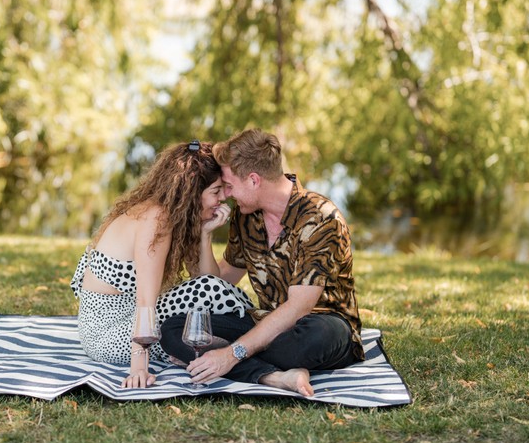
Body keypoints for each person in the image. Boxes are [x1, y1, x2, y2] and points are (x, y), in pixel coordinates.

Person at [160, 129, 364, 397]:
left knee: (312, 338)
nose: (226, 195)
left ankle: (236, 359)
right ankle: (274, 377)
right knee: (176, 330)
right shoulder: (246, 217)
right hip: (267, 323)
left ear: (254, 180)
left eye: (229, 186)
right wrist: (204, 236)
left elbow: (298, 309)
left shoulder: (321, 218)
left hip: (320, 325)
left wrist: (231, 353)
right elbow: (219, 282)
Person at [70, 140, 253, 389]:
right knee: (207, 292)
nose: (223, 199)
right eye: (216, 191)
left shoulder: (178, 217)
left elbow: (208, 279)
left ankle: (252, 339)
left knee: (208, 291)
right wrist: (139, 369)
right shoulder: (156, 219)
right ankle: (262, 336)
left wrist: (205, 234)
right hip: (108, 335)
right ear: (191, 191)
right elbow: (147, 302)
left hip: (129, 322)